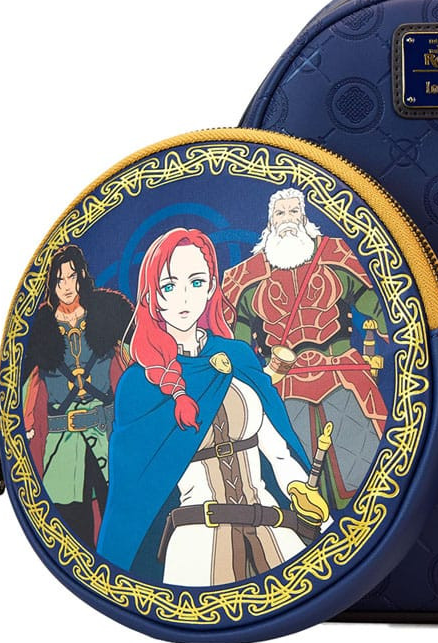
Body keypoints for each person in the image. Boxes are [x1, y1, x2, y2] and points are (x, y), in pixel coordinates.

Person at [96, 227, 327, 586]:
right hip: (197, 539)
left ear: (211, 287)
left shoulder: (237, 358)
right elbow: (132, 492)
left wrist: (299, 488)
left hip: (270, 523)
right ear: (151, 295)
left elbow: (277, 451)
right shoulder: (139, 385)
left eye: (196, 282)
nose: (184, 298)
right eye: (169, 286)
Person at [221, 188, 389, 510]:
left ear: (304, 217)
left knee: (363, 464)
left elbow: (374, 305)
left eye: (293, 212)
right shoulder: (246, 280)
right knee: (295, 473)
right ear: (270, 222)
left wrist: (400, 338)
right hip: (283, 386)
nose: (287, 220)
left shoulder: (335, 259)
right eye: (280, 213)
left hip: (341, 375)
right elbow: (238, 347)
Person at [21, 245, 133, 547]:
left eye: (71, 277)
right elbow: (29, 382)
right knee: (73, 523)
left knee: (118, 517)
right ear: (51, 284)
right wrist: (27, 421)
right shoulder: (40, 330)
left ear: (81, 276)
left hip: (107, 437)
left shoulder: (108, 315)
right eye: (59, 280)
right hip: (64, 445)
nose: (67, 286)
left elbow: (132, 363)